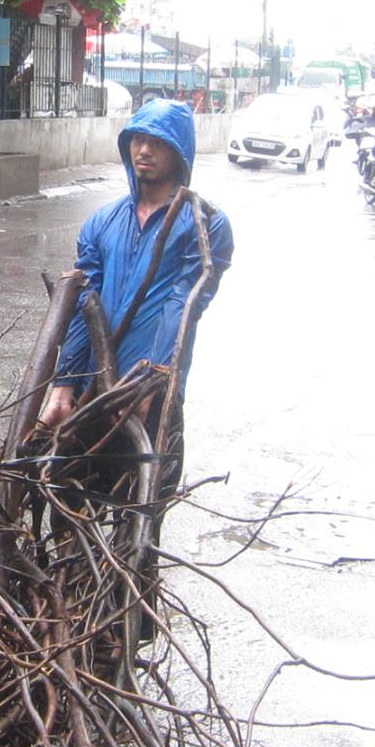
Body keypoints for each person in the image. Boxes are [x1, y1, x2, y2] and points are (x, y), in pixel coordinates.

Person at [39, 98, 233, 491]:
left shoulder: (205, 225)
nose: (144, 150)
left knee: (141, 514)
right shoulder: (102, 220)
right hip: (90, 390)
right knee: (70, 511)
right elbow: (82, 307)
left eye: (157, 142)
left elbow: (183, 307)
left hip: (153, 395)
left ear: (180, 152)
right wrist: (63, 383)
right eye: (137, 139)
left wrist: (149, 384)